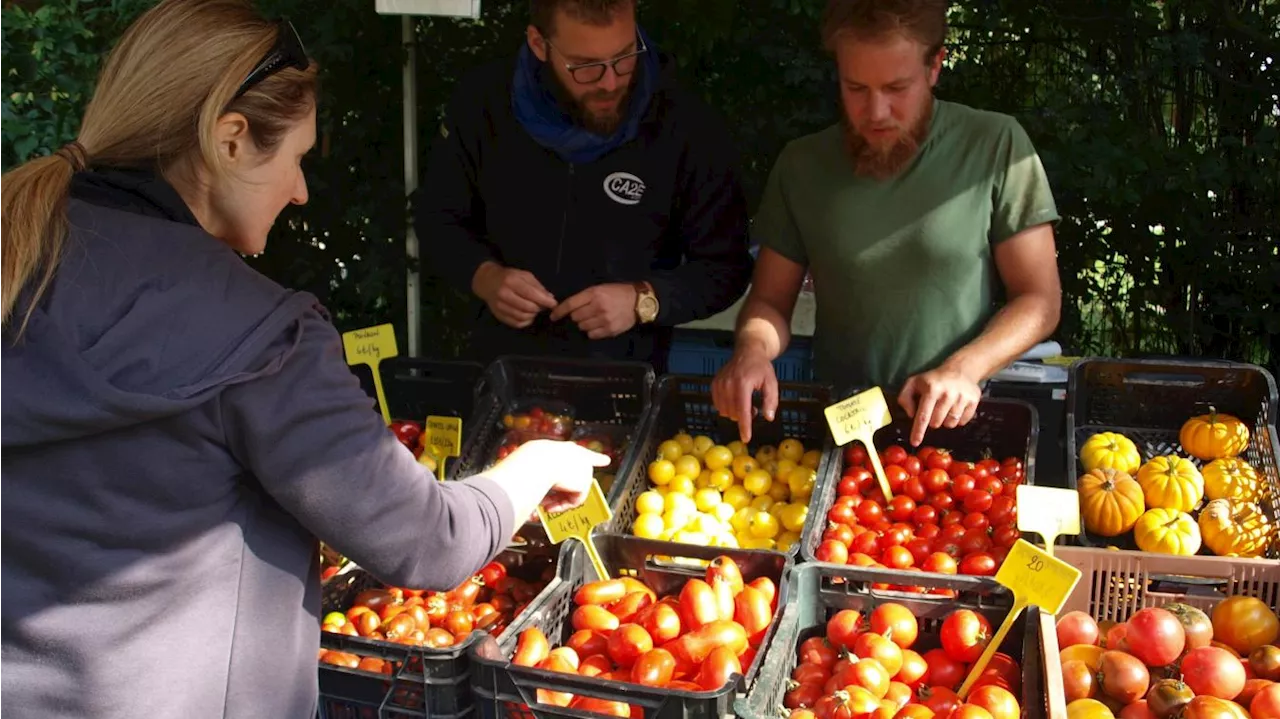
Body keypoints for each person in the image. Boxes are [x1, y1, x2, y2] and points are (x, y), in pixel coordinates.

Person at [0, 2, 607, 717]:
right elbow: (427, 541)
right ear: (230, 140)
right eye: (295, 159)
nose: (301, 190)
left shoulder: (22, 250)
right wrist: (534, 466)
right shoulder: (260, 331)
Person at [712, 0, 1062, 446]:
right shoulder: (802, 165)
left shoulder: (995, 145)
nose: (876, 112)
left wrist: (963, 369)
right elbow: (769, 303)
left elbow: (1039, 299)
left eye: (897, 87)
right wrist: (752, 351)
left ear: (936, 65)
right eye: (855, 88)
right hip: (845, 424)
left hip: (961, 419)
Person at [414, 0, 753, 373]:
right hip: (499, 373)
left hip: (626, 380)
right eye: (587, 67)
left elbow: (726, 267)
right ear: (539, 44)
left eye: (625, 57)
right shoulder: (484, 104)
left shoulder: (681, 122)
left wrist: (644, 300)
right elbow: (436, 219)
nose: (610, 82)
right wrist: (483, 276)